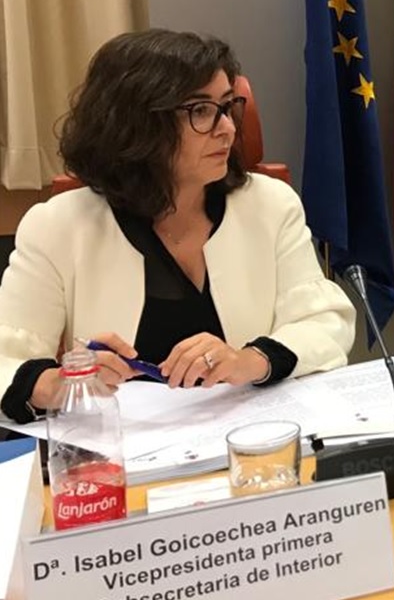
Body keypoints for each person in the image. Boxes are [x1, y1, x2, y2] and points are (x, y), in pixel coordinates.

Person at [0, 29, 356, 424]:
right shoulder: (58, 226)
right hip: (121, 448)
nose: (228, 128)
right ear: (136, 124)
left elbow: (324, 323)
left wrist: (250, 360)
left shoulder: (270, 204)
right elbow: (5, 356)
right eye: (201, 111)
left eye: (227, 106)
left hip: (255, 438)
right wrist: (57, 384)